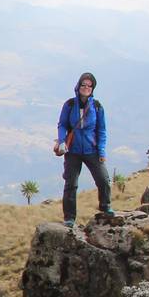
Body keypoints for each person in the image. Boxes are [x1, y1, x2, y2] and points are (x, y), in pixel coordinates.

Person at [54, 71, 111, 229]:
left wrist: (101, 151)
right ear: (78, 86)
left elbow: (102, 130)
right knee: (71, 184)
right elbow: (62, 124)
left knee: (103, 180)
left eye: (89, 85)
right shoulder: (70, 105)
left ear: (93, 88)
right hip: (72, 151)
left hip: (91, 150)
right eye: (83, 85)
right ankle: (69, 218)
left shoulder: (97, 107)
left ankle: (105, 206)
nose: (86, 87)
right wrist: (61, 141)